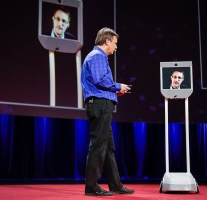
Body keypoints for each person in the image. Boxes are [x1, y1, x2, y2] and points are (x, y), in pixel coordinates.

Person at [81, 27, 134, 196]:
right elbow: (100, 80)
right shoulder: (97, 56)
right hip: (100, 105)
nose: (116, 47)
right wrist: (117, 86)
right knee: (98, 146)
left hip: (102, 103)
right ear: (107, 41)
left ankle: (115, 184)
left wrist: (114, 91)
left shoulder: (97, 56)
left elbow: (99, 82)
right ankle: (91, 186)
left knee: (108, 147)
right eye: (115, 43)